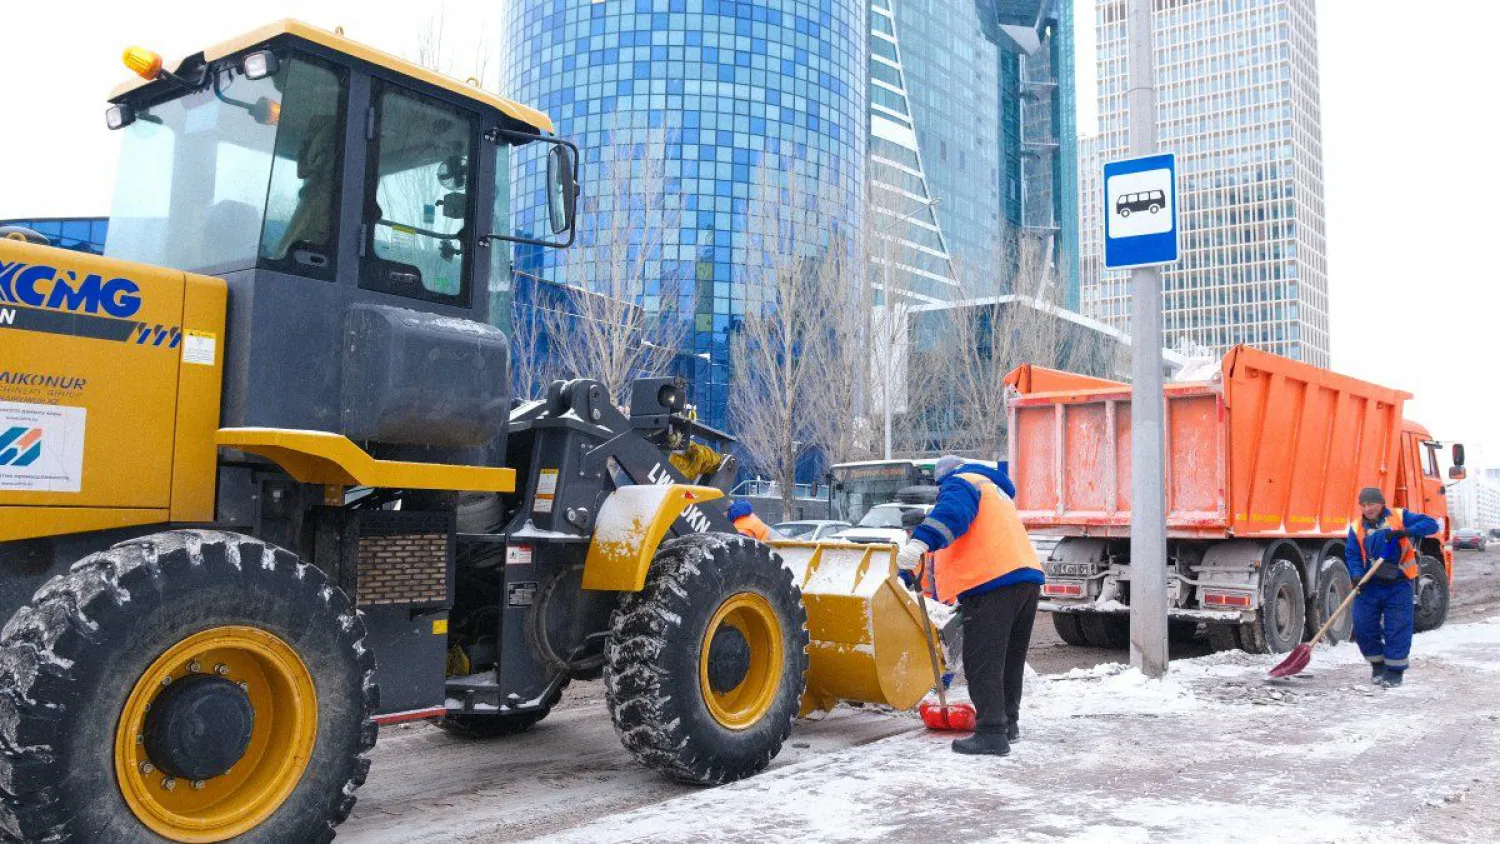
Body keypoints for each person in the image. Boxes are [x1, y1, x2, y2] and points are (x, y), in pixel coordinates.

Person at [898, 455, 1042, 756]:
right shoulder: (993, 489)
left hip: (992, 581)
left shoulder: (962, 482)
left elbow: (952, 514)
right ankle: (1007, 724)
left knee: (983, 661)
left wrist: (919, 541)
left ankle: (991, 733)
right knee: (1007, 660)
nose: (941, 491)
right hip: (1025, 578)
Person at [1345, 487, 1438, 688]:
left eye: (1372, 504)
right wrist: (1356, 575)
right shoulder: (1356, 527)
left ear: (1381, 503)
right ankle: (1378, 666)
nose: (1368, 508)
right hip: (1369, 585)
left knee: (1397, 627)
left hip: (1398, 583)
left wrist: (1405, 531)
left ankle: (1395, 671)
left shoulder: (1399, 516)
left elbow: (1431, 525)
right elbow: (1352, 554)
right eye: (1364, 505)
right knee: (1363, 626)